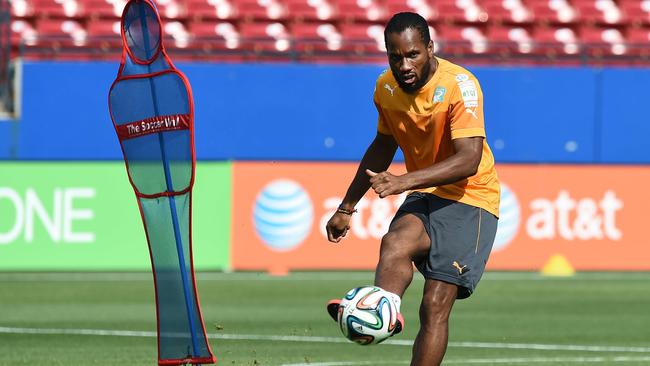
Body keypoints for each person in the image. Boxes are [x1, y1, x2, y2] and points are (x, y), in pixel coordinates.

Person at [324, 12, 501, 366]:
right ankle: (382, 309)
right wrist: (346, 207)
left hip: (471, 196)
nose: (403, 64)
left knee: (434, 305)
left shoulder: (460, 86)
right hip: (427, 190)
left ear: (430, 48)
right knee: (394, 242)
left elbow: (469, 159)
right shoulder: (385, 89)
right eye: (395, 56)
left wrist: (403, 181)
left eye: (412, 55)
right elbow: (382, 145)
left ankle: (380, 310)